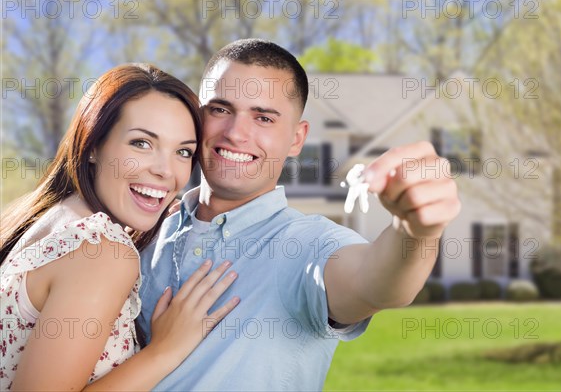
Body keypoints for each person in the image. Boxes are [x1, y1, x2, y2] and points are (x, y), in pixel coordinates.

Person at [138, 39, 461, 391]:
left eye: (263, 117)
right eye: (220, 109)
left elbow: (376, 284)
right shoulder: (148, 227)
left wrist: (414, 233)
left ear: (297, 138)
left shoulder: (307, 244)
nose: (235, 133)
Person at [0, 64, 240, 391]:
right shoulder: (102, 251)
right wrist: (164, 351)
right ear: (94, 144)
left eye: (183, 152)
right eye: (141, 143)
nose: (166, 172)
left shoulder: (50, 217)